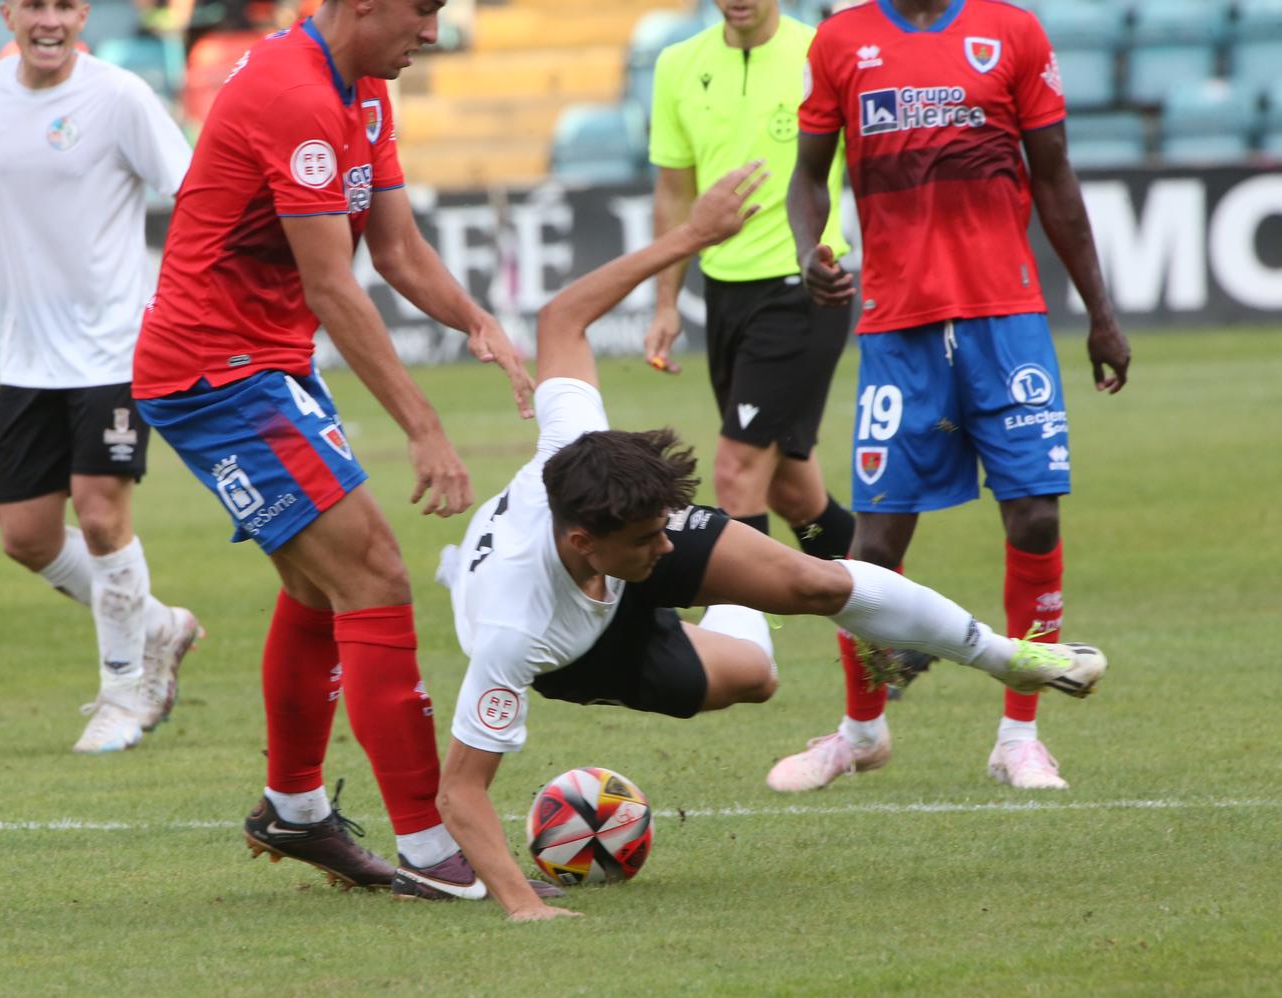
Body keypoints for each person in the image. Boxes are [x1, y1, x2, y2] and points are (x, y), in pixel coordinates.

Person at [427, 164, 1108, 921]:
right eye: (650, 538)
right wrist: (526, 907)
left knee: (817, 584)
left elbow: (560, 319)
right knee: (756, 679)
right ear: (588, 540)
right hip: (582, 646)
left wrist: (690, 238)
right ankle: (734, 580)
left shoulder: (582, 453)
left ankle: (1005, 654)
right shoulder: (513, 635)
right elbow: (460, 791)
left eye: (666, 531)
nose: (665, 546)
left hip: (589, 563)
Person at [131, 0, 540, 893]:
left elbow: (394, 248)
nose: (432, 32)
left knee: (321, 586)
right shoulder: (295, 95)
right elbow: (330, 285)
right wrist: (424, 428)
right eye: (422, 11)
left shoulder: (358, 89)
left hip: (260, 365)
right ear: (364, 3)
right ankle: (434, 849)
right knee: (376, 574)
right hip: (216, 374)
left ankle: (296, 811)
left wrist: (476, 321)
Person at [777, 0, 1130, 792]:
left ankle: (1019, 739)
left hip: (1007, 321)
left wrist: (1100, 314)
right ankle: (862, 731)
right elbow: (808, 175)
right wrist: (811, 250)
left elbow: (1055, 176)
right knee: (874, 548)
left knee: (1036, 514)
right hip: (897, 327)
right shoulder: (843, 39)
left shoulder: (1012, 32)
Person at [0, 0, 202, 755]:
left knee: (98, 515)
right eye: (34, 6)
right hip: (27, 358)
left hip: (116, 350)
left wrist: (178, 304)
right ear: (9, 13)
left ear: (83, 14)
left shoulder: (119, 96)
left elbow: (192, 193)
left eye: (63, 5)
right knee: (25, 536)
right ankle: (156, 622)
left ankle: (125, 691)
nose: (48, 21)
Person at [645, 0, 855, 585]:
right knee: (794, 492)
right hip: (724, 292)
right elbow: (673, 192)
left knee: (737, 472)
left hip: (803, 286)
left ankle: (744, 651)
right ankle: (892, 619)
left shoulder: (823, 51)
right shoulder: (677, 63)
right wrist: (666, 302)